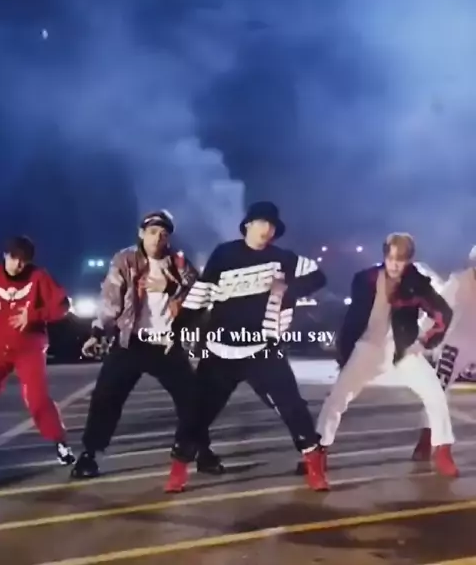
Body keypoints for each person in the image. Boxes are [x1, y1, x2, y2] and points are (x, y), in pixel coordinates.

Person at [164, 201, 327, 493]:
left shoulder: (283, 258)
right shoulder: (224, 254)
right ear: (248, 225)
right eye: (261, 223)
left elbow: (318, 276)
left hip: (263, 350)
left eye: (272, 225)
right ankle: (178, 471)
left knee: (292, 406)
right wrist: (176, 332)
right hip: (220, 351)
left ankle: (315, 467)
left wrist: (289, 291)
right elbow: (200, 295)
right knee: (197, 412)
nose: (267, 230)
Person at [71, 210, 223, 479]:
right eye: (152, 232)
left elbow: (198, 296)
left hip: (166, 344)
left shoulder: (179, 263)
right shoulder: (125, 260)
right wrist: (97, 331)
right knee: (106, 398)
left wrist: (171, 288)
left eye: (163, 234)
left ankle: (202, 451)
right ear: (142, 234)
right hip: (130, 342)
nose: (157, 238)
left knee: (192, 399)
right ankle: (89, 454)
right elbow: (110, 298)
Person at [308, 232, 458, 491]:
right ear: (384, 256)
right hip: (367, 346)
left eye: (401, 259)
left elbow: (443, 313)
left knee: (435, 393)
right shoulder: (365, 279)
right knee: (337, 399)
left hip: (401, 349)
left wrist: (424, 342)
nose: (395, 264)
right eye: (391, 258)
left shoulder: (416, 282)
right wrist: (344, 354)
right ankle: (317, 456)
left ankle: (443, 450)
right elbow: (352, 319)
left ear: (409, 260)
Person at [0, 236, 74, 465]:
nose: (18, 264)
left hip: (29, 349)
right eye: (14, 258)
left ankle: (59, 441)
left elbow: (62, 306)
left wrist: (33, 315)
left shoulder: (39, 277)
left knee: (37, 398)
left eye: (24, 260)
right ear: (5, 256)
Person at [413, 245, 476, 460]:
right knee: (437, 391)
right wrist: (422, 335)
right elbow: (438, 309)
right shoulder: (458, 282)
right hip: (454, 346)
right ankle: (426, 438)